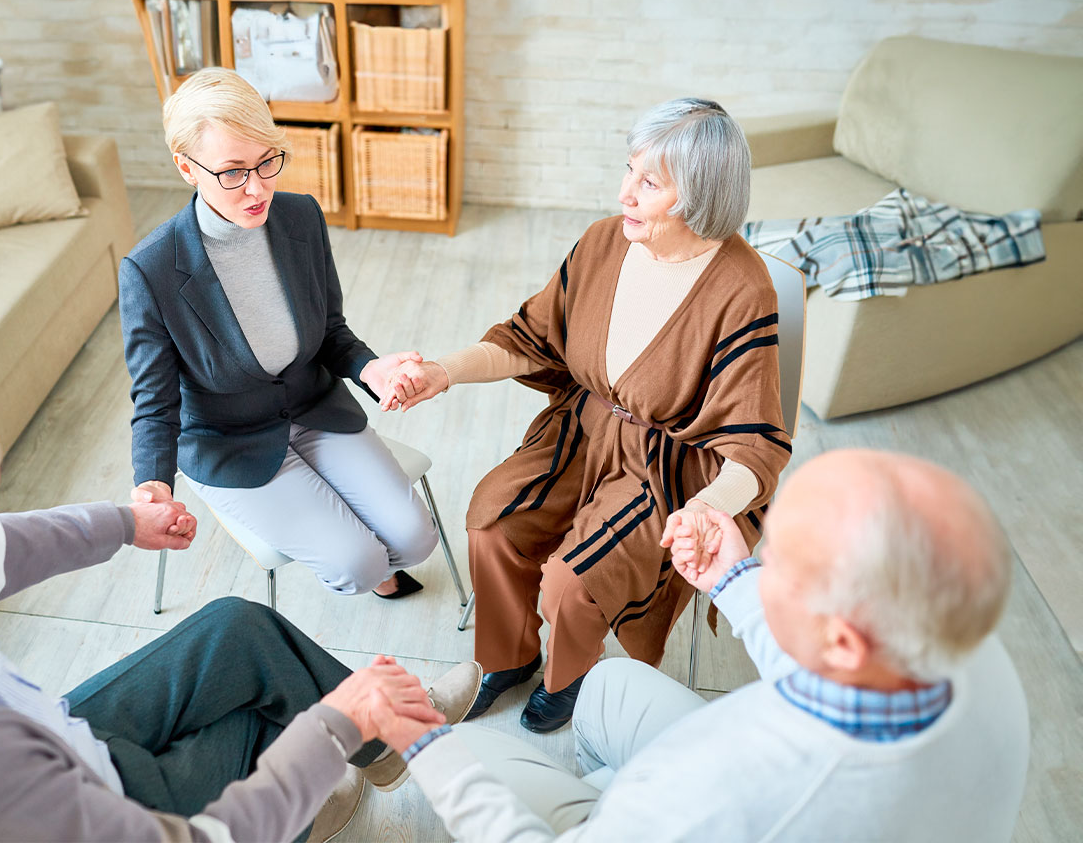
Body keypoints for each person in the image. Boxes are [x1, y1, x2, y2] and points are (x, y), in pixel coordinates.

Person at [0, 377, 481, 843]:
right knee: (271, 723)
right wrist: (333, 723)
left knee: (235, 629)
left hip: (52, 745)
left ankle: (376, 757)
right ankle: (326, 792)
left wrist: (122, 523)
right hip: (85, 807)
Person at [368, 449, 1030, 842]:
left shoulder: (722, 791)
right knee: (607, 686)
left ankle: (598, 814)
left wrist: (424, 741)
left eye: (781, 565)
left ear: (843, 639)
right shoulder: (961, 648)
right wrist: (734, 580)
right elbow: (841, 664)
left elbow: (712, 797)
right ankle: (602, 799)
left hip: (690, 816)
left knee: (469, 750)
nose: (763, 568)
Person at [382, 98, 792, 730]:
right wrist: (443, 371)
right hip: (584, 425)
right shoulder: (604, 242)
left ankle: (569, 678)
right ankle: (509, 657)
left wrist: (709, 508)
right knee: (491, 518)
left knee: (573, 582)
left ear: (699, 194)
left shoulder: (743, 289)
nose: (624, 193)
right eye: (628, 170)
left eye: (648, 182)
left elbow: (757, 441)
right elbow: (528, 337)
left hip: (664, 465)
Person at [119, 67, 437, 600]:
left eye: (268, 160)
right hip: (230, 442)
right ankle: (370, 568)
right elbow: (155, 403)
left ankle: (372, 557)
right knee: (358, 565)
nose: (258, 187)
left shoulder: (299, 217)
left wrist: (369, 367)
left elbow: (332, 331)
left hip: (314, 410)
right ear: (186, 168)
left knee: (417, 538)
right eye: (233, 172)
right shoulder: (150, 271)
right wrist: (153, 483)